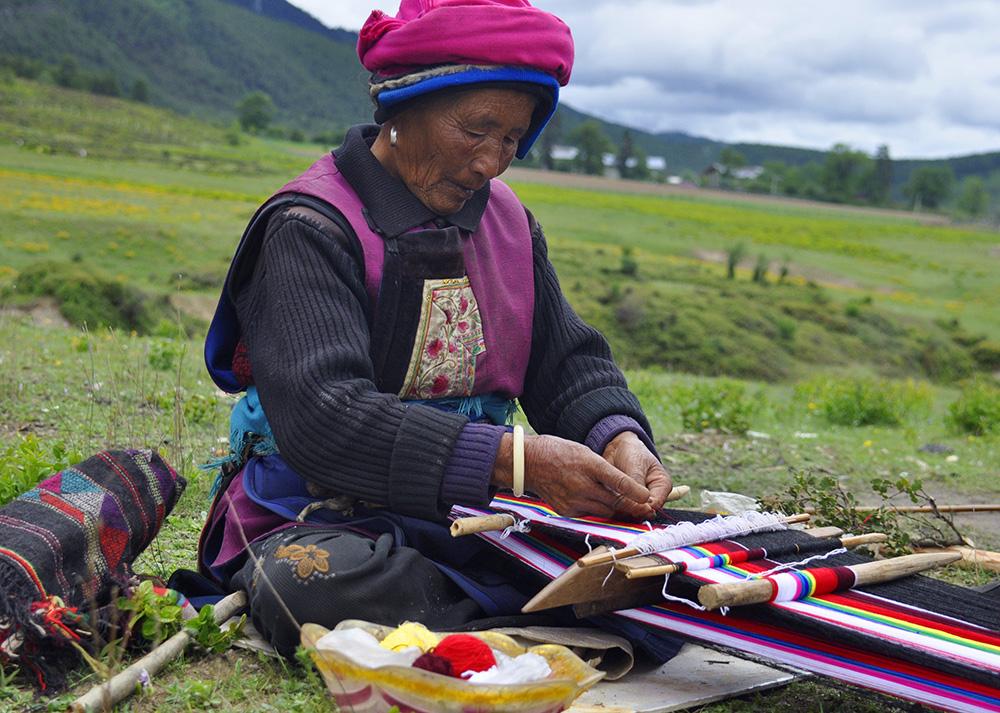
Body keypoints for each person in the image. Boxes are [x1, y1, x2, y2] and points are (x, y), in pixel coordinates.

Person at [198, 0, 674, 657]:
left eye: (512, 137)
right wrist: (518, 462)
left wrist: (615, 433)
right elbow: (325, 418)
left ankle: (518, 608)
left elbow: (564, 362)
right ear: (406, 104)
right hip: (327, 513)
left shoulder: (510, 224)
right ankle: (555, 608)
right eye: (476, 129)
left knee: (657, 553)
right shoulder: (309, 225)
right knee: (302, 585)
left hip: (477, 517)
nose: (492, 162)